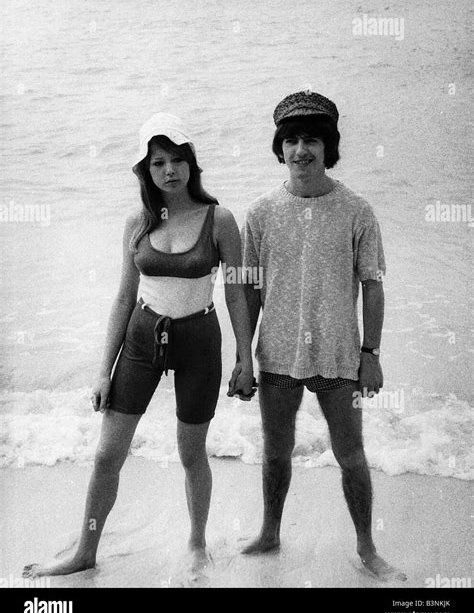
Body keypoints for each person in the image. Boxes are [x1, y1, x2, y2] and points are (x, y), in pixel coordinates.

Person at [23, 113, 255, 578]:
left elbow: (236, 292)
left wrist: (244, 358)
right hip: (140, 341)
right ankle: (85, 550)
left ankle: (195, 545)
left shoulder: (220, 219)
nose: (169, 170)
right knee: (108, 453)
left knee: (192, 453)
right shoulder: (137, 222)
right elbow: (124, 297)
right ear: (146, 171)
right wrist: (101, 371)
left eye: (177, 160)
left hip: (198, 343)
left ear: (191, 162)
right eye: (158, 163)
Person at [230, 91, 406, 581]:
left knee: (351, 455)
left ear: (329, 148)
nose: (301, 150)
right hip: (278, 356)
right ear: (279, 149)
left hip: (339, 356)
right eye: (291, 140)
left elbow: (372, 285)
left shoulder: (356, 210)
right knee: (274, 451)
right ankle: (269, 532)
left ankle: (368, 547)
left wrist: (371, 353)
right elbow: (248, 291)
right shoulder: (261, 212)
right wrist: (244, 358)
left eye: (311, 139)